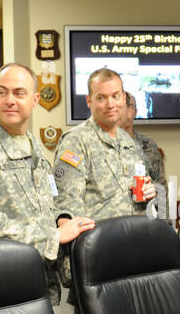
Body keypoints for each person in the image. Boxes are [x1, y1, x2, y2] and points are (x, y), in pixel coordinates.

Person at [0, 63, 95, 301]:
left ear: (35, 99)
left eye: (19, 93)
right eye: (2, 92)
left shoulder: (31, 144)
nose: (9, 100)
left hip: (30, 281)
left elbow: (46, 200)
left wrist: (61, 218)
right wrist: (53, 237)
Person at [53, 68, 156, 220]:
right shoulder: (76, 142)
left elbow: (144, 192)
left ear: (123, 97)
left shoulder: (130, 143)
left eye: (116, 96)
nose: (110, 104)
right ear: (89, 101)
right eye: (101, 98)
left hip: (136, 235)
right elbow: (66, 202)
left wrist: (149, 191)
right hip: (98, 239)